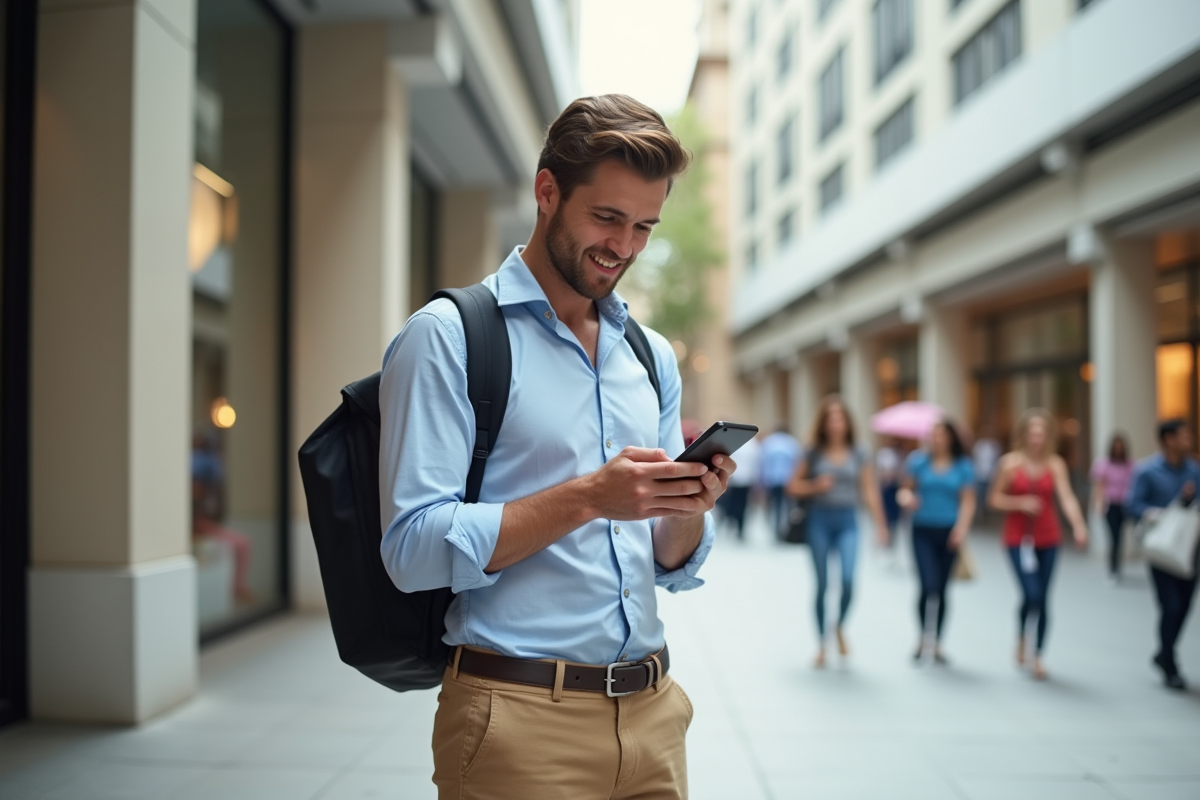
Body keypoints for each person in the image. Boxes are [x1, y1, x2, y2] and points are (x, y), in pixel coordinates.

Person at [378, 95, 734, 798]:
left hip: (654, 716)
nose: (624, 247)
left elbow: (668, 556)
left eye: (644, 227)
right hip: (516, 723)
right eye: (607, 218)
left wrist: (690, 501)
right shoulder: (449, 336)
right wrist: (588, 498)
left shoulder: (650, 355)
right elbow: (412, 549)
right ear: (547, 192)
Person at [787, 395, 888, 667]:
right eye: (830, 417)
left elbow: (869, 489)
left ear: (847, 422)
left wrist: (881, 525)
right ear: (823, 422)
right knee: (821, 585)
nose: (835, 423)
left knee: (847, 580)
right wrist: (816, 485)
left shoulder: (859, 451)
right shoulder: (813, 451)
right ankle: (821, 643)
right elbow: (793, 485)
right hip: (819, 520)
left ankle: (839, 626)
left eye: (840, 417)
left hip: (848, 521)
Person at [988, 409, 1088, 681]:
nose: (1036, 438)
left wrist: (1078, 525)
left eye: (1041, 433)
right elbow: (994, 499)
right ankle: (1021, 635)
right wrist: (1019, 503)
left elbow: (1066, 497)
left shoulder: (1055, 464)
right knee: (1030, 594)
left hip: (1048, 538)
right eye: (1032, 433)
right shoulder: (1010, 464)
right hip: (1017, 539)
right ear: (1023, 435)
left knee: (1044, 597)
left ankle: (1039, 654)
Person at [1127, 418, 1200, 691]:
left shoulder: (1194, 470)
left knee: (1184, 606)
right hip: (1162, 550)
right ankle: (1169, 661)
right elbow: (1133, 505)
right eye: (1183, 435)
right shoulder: (1147, 471)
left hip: (1190, 548)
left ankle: (1164, 652)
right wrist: (1156, 513)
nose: (1188, 440)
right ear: (1168, 439)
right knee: (1170, 605)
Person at [897, 420, 975, 664]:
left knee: (941, 589)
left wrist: (961, 528)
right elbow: (904, 489)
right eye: (933, 435)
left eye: (941, 435)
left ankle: (938, 641)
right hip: (922, 529)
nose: (937, 439)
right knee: (927, 585)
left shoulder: (963, 466)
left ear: (951, 438)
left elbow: (968, 500)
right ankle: (922, 636)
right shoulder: (918, 461)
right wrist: (907, 498)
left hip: (949, 531)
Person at [1090, 433, 1135, 582]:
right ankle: (1113, 568)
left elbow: (1134, 485)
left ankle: (1118, 566)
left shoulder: (1130, 464)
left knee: (1120, 537)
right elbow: (1099, 486)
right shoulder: (1103, 464)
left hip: (1125, 504)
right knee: (1113, 537)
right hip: (1110, 505)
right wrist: (1098, 504)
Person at [761, 424, 803, 539]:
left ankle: (777, 529)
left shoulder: (769, 442)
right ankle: (786, 529)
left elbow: (763, 463)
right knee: (789, 506)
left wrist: (761, 482)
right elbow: (797, 462)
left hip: (772, 479)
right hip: (788, 479)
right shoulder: (792, 442)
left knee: (776, 505)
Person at [718, 432, 760, 541]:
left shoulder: (737, 444)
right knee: (742, 505)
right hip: (746, 480)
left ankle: (733, 523)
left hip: (737, 479)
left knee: (733, 504)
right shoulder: (752, 444)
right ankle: (740, 527)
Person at [876, 437, 904, 547]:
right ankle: (886, 534)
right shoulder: (883, 453)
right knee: (886, 511)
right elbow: (880, 472)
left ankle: (892, 536)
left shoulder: (899, 454)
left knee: (895, 514)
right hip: (886, 487)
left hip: (896, 487)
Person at [972, 425, 1002, 522]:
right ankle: (981, 516)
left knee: (988, 495)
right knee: (981, 497)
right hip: (980, 475)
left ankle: (987, 515)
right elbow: (975, 459)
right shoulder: (979, 445)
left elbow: (997, 460)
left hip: (990, 476)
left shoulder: (994, 445)